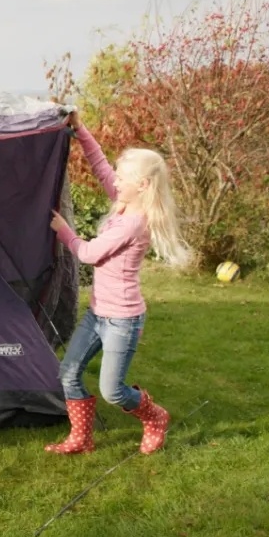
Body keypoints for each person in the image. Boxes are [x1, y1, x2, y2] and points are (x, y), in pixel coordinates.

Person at [45, 111, 189, 455]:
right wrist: (80, 131)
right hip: (98, 314)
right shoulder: (125, 201)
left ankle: (154, 416)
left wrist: (64, 231)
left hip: (122, 320)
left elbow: (90, 254)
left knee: (113, 391)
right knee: (68, 373)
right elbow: (100, 166)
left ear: (142, 185)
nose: (116, 181)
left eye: (123, 178)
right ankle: (81, 438)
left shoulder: (134, 223)